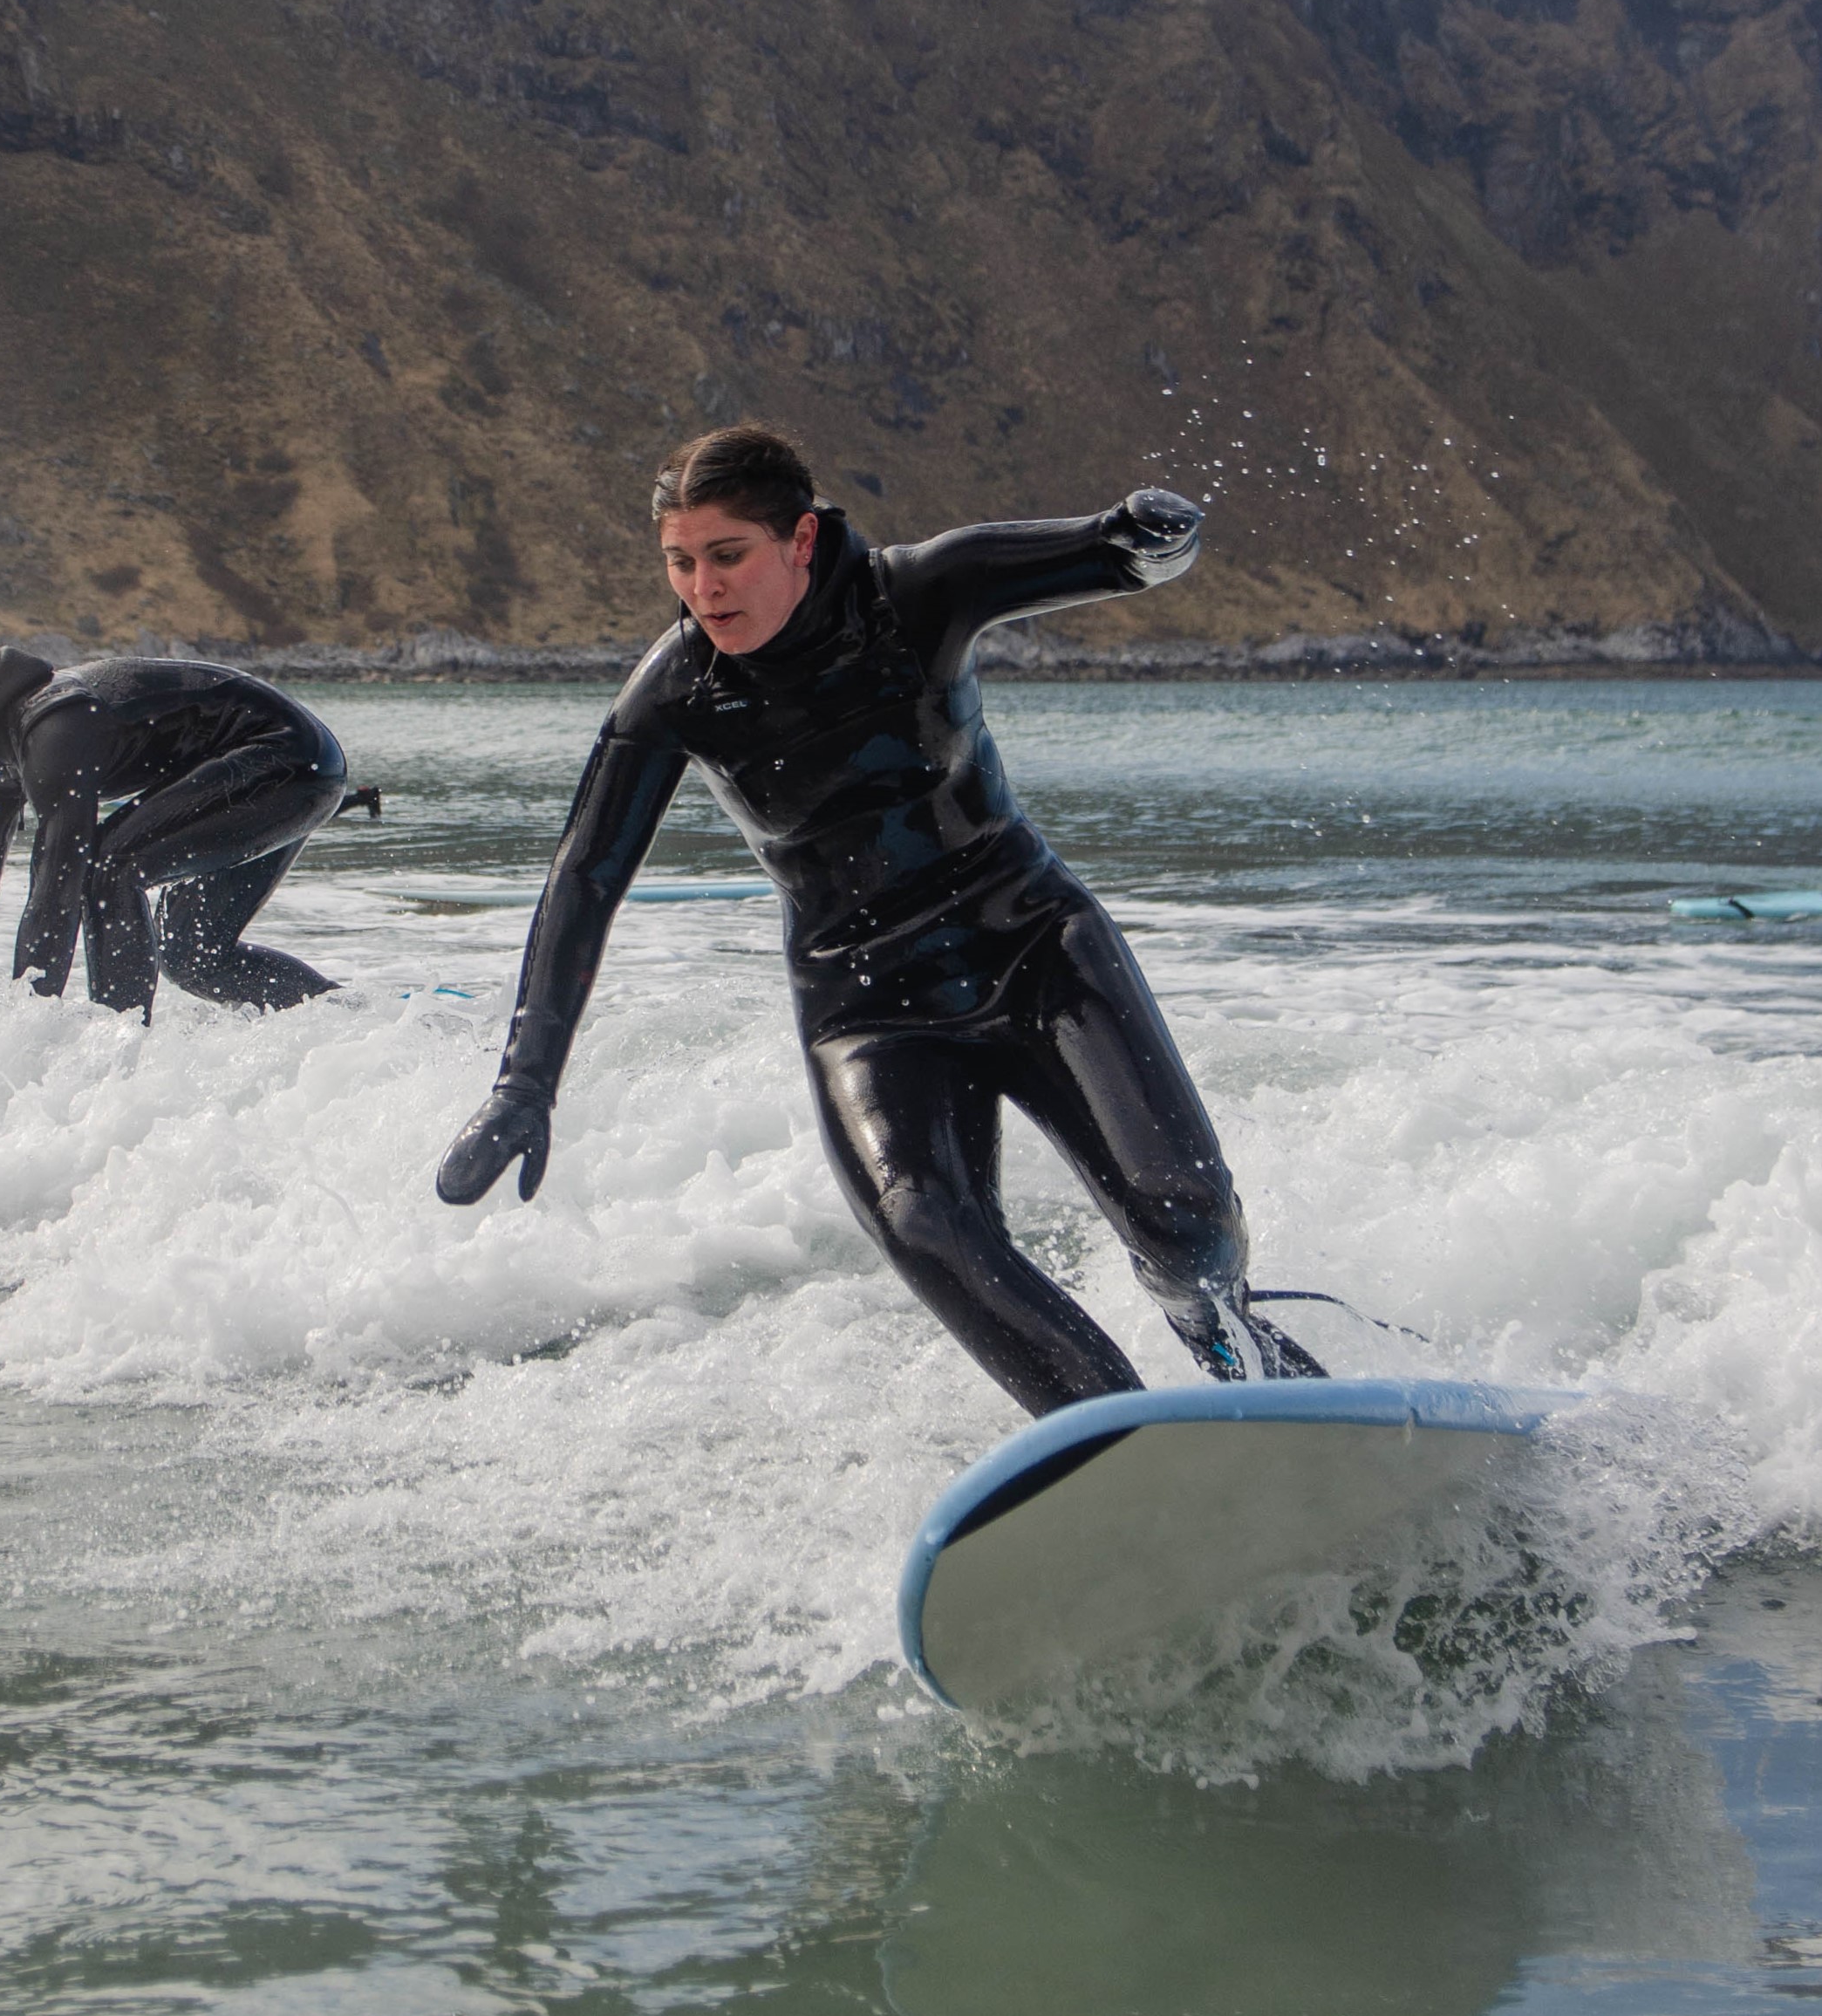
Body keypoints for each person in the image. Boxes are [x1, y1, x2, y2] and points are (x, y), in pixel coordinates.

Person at [433, 426, 1323, 1416]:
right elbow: (585, 878)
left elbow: (1113, 553)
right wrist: (526, 1080)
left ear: (801, 541)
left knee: (1184, 1227)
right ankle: (1120, 1449)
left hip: (1031, 944)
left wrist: (1154, 540)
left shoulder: (920, 593)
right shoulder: (677, 693)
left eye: (728, 556)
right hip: (867, 1006)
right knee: (926, 1223)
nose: (703, 589)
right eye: (680, 563)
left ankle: (1229, 1344)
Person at [0, 617, 359, 1021]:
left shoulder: (53, 725)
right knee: (192, 956)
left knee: (109, 866)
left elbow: (58, 882)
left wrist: (23, 1027)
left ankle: (118, 1050)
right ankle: (348, 1019)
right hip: (289, 767)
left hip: (284, 758)